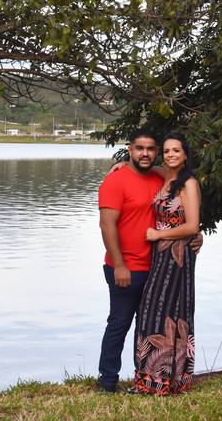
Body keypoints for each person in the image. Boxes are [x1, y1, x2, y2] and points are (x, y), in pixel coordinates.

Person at [96, 129, 165, 393]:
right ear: (130, 149)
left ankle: (144, 379)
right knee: (120, 323)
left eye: (150, 148)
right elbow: (106, 225)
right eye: (139, 148)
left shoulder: (160, 179)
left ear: (156, 151)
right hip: (125, 268)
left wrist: (196, 235)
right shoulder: (116, 181)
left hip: (158, 268)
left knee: (148, 328)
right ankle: (108, 381)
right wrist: (120, 265)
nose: (145, 153)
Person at [131, 132, 200, 395]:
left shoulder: (188, 183)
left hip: (177, 254)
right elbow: (148, 166)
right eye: (167, 150)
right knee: (151, 310)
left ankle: (168, 378)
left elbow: (192, 225)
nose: (171, 155)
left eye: (176, 151)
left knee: (168, 312)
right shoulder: (166, 177)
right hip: (160, 254)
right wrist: (121, 166)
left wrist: (159, 234)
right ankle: (148, 377)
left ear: (185, 155)